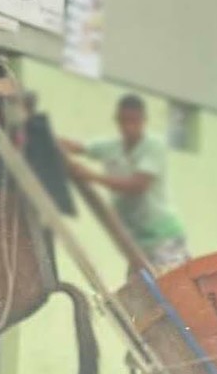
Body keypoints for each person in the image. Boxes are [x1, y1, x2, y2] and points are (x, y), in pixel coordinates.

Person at [61, 94, 189, 274]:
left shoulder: (154, 146)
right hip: (136, 244)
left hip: (164, 238)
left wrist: (93, 177)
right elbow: (78, 147)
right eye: (124, 121)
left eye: (134, 121)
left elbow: (138, 185)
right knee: (138, 295)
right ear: (117, 121)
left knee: (173, 290)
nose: (128, 127)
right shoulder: (112, 147)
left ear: (143, 121)